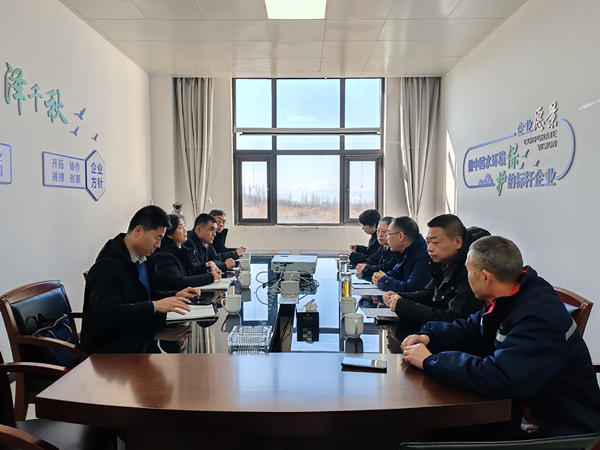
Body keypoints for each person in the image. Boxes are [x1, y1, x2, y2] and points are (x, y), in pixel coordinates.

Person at [402, 236, 600, 437]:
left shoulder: (537, 318)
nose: (467, 277)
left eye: (469, 271)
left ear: (486, 278)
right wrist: (430, 336)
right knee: (426, 428)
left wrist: (431, 361)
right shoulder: (510, 296)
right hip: (518, 407)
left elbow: (502, 377)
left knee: (425, 433)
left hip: (559, 429)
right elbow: (473, 327)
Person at [81, 206, 198, 354]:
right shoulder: (106, 267)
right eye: (157, 238)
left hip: (141, 341)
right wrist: (154, 308)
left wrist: (175, 296)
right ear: (138, 231)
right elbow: (109, 315)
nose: (158, 245)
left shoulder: (144, 260)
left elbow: (147, 295)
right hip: (112, 353)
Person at [382, 214, 489, 340]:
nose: (429, 248)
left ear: (458, 242)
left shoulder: (471, 271)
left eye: (435, 242)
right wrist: (398, 297)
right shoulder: (444, 262)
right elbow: (429, 294)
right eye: (428, 242)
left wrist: (404, 306)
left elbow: (454, 318)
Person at [151, 214, 222, 291]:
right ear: (169, 234)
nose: (185, 230)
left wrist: (207, 266)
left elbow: (193, 272)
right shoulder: (165, 256)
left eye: (184, 226)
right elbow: (178, 282)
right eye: (180, 228)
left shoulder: (185, 250)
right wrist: (209, 277)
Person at [370, 216, 432, 292]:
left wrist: (384, 280)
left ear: (401, 236)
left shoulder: (423, 256)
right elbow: (395, 273)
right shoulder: (406, 251)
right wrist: (379, 276)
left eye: (388, 233)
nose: (387, 238)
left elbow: (410, 288)